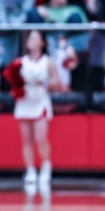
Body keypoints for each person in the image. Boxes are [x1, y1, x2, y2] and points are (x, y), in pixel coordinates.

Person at [14, 30, 60, 184]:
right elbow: (13, 81)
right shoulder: (20, 62)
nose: (31, 41)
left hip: (40, 101)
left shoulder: (47, 61)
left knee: (40, 138)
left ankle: (46, 166)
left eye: (35, 38)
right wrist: (19, 86)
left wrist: (43, 82)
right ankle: (30, 170)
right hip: (25, 101)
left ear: (42, 42)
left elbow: (57, 82)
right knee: (26, 139)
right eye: (30, 38)